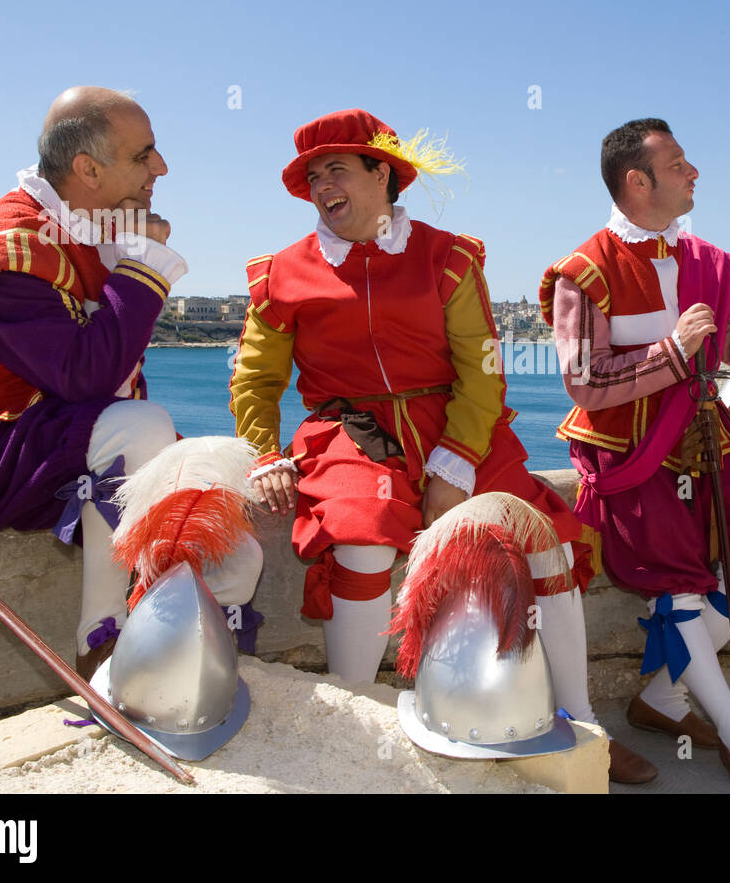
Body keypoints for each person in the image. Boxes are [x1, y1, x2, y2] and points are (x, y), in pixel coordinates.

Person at [228, 108, 656, 782]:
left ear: (382, 174)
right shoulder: (282, 272)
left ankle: (580, 723)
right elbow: (255, 379)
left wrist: (454, 462)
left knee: (547, 537)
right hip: (349, 430)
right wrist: (264, 452)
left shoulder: (448, 256)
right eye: (312, 176)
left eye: (336, 168)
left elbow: (481, 369)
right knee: (361, 534)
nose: (321, 186)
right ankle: (355, 713)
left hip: (458, 423)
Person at [540, 118, 730, 792]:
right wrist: (671, 352)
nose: (695, 172)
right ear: (636, 181)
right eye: (679, 163)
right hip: (632, 453)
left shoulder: (704, 259)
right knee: (680, 591)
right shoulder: (583, 271)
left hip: (709, 442)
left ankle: (663, 699)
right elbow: (584, 381)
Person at [0, 87, 261, 681]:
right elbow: (86, 376)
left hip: (83, 449)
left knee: (233, 535)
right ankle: (101, 647)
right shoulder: (12, 246)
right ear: (87, 169)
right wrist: (143, 265)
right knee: (143, 426)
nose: (161, 168)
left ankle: (194, 666)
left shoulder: (96, 225)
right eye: (144, 155)